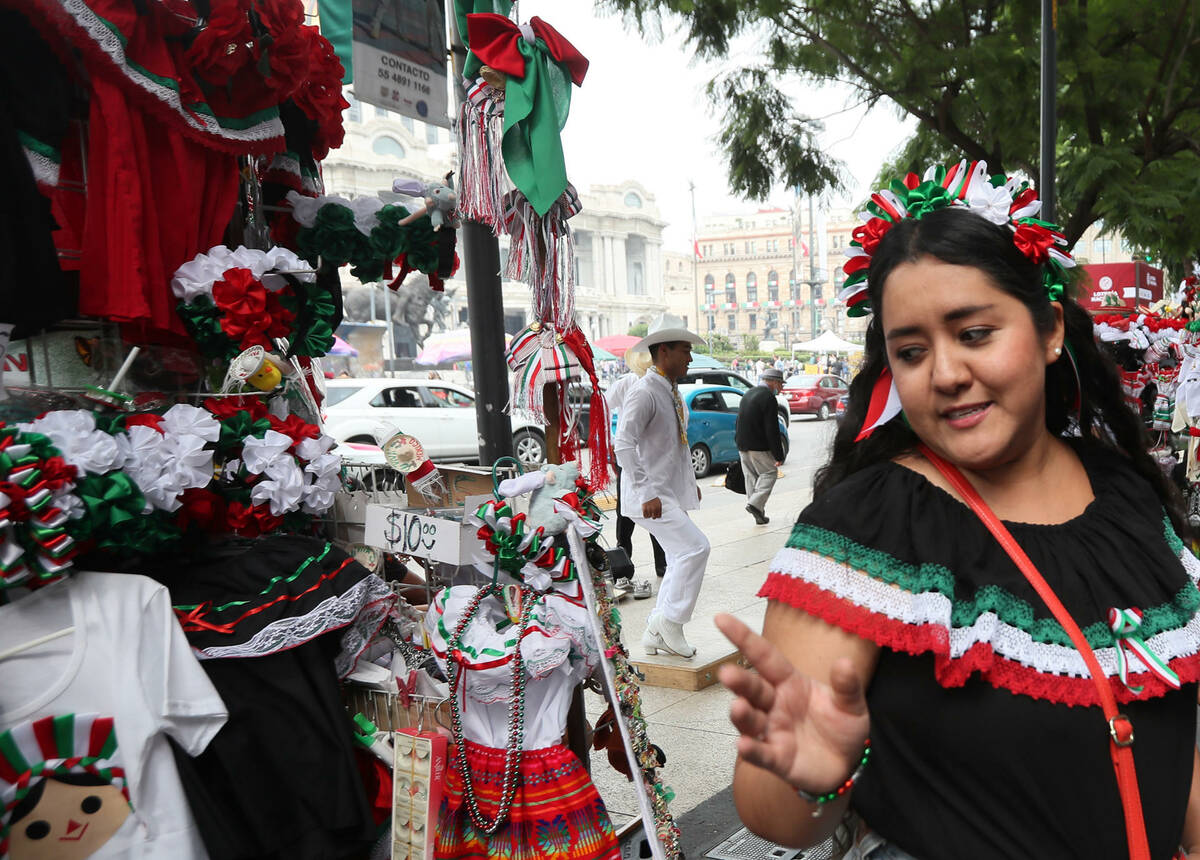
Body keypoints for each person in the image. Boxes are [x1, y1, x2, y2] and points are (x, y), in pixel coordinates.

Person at [715, 161, 1200, 859]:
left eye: (974, 333)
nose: (944, 374)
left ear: (1051, 329)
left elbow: (1175, 750)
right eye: (911, 351)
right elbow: (779, 817)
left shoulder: (1124, 495)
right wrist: (816, 773)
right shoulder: (859, 534)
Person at [614, 313, 711, 659]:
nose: (690, 357)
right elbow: (623, 444)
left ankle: (657, 628)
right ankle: (669, 622)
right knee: (695, 548)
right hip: (649, 497)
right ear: (664, 351)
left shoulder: (668, 391)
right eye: (685, 349)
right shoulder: (644, 392)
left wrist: (689, 483)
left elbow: (675, 446)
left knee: (679, 554)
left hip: (665, 493)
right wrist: (647, 492)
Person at [605, 350, 666, 591]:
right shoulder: (627, 384)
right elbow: (604, 406)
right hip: (629, 459)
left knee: (656, 517)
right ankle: (623, 566)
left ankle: (662, 565)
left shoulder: (661, 387)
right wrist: (611, 438)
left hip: (651, 461)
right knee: (624, 517)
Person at [736, 367, 786, 524]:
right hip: (759, 445)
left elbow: (739, 420)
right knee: (769, 473)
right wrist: (779, 455)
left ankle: (758, 513)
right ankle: (755, 504)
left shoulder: (749, 393)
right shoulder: (768, 398)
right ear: (774, 382)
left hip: (742, 443)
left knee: (751, 477)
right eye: (781, 384)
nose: (781, 388)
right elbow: (772, 428)